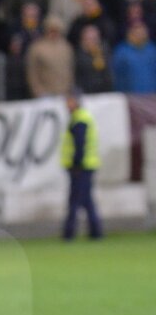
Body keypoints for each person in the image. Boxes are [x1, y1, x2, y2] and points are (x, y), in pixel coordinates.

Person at [61, 90, 103, 240]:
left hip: (81, 166)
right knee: (86, 200)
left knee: (75, 200)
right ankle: (96, 232)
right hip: (86, 165)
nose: (66, 104)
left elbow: (80, 144)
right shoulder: (80, 117)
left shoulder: (80, 119)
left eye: (69, 100)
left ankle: (69, 233)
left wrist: (76, 164)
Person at [26, 15, 75, 97]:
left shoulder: (66, 47)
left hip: (65, 92)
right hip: (45, 93)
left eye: (56, 30)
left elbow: (71, 69)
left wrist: (70, 88)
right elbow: (32, 72)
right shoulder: (37, 48)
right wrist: (38, 91)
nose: (54, 33)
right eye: (51, 30)